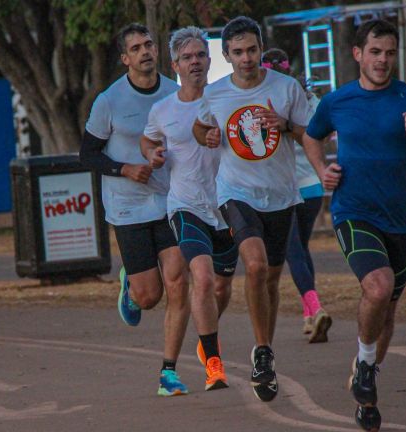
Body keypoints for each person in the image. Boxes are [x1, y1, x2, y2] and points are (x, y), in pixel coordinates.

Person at [302, 19, 406, 431]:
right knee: (378, 287)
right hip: (353, 212)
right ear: (358, 55)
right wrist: (321, 171)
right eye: (375, 52)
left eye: (389, 53)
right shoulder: (337, 101)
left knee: (388, 310)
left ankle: (366, 387)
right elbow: (312, 137)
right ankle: (365, 369)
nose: (383, 60)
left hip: (399, 218)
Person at [192, 16, 310, 402]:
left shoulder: (287, 88)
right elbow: (200, 127)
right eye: (238, 52)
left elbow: (308, 133)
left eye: (252, 50)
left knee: (272, 278)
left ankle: (265, 349)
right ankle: (262, 354)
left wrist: (285, 123)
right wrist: (208, 135)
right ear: (226, 56)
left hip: (280, 195)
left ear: (261, 49)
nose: (246, 58)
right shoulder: (215, 93)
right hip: (235, 191)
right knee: (255, 266)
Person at [80, 23, 191, 397]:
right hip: (126, 207)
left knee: (179, 281)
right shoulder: (109, 101)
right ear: (125, 58)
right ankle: (132, 284)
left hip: (168, 201)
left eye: (149, 45)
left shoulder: (175, 94)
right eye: (136, 48)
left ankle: (168, 372)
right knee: (150, 297)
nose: (145, 51)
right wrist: (124, 169)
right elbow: (88, 154)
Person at [140, 26, 238, 392]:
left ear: (210, 60)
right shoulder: (163, 109)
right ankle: (214, 365)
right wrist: (152, 154)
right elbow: (147, 138)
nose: (194, 62)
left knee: (220, 288)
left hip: (225, 205)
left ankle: (205, 336)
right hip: (184, 205)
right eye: (187, 57)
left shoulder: (226, 98)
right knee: (203, 276)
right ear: (175, 64)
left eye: (200, 55)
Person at [261, 48, 332, 343]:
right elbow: (323, 134)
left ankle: (316, 309)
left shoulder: (269, 99)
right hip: (313, 186)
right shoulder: (309, 98)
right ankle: (308, 313)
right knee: (300, 249)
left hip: (287, 188)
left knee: (292, 251)